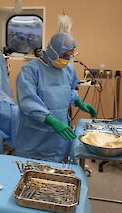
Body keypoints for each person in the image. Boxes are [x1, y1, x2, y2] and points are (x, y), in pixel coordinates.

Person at [16, 32, 97, 162]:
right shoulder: (30, 70)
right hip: (36, 134)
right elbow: (28, 101)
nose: (66, 59)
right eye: (64, 55)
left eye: (70, 55)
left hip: (59, 134)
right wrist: (52, 120)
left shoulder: (68, 69)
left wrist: (79, 102)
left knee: (57, 167)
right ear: (52, 51)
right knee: (32, 169)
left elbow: (69, 89)